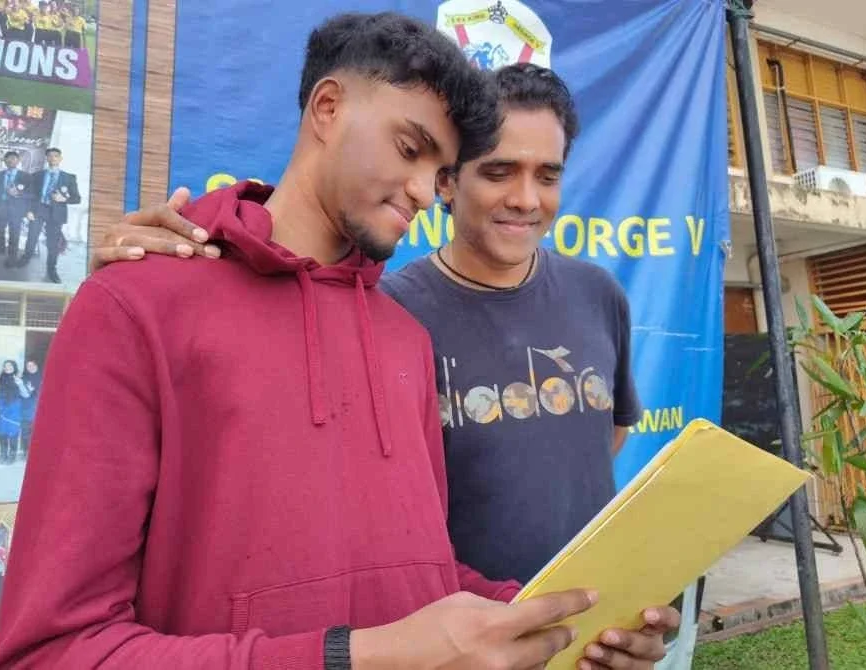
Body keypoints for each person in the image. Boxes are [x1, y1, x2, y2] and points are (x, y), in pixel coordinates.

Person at [0, 12, 600, 670]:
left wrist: (565, 624)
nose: (426, 192)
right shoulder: (134, 307)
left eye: (442, 170)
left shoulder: (405, 339)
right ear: (329, 107)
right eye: (409, 148)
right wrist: (353, 658)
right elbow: (52, 652)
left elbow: (419, 577)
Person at [93, 63, 678, 669]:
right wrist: (163, 275)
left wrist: (583, 613)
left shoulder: (598, 294)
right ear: (449, 184)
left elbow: (605, 434)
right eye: (499, 171)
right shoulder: (389, 317)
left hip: (567, 633)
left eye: (547, 175)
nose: (525, 198)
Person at [25, 147, 81, 283]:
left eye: (56, 156)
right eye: (50, 156)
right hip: (39, 210)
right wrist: (28, 211)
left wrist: (64, 199)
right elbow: (29, 195)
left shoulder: (69, 177)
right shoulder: (36, 176)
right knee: (32, 237)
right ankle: (25, 260)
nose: (53, 158)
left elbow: (77, 198)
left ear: (60, 159)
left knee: (53, 244)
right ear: (46, 158)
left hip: (56, 213)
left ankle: (51, 269)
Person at [0, 151, 32, 263]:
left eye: (14, 158)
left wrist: (19, 193)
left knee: (14, 232)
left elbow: (32, 194)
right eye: (8, 159)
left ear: (18, 160)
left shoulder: (26, 176)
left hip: (17, 209)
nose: (11, 161)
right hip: (1, 207)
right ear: (4, 161)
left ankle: (12, 255)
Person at [0, 360, 27, 464]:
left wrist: (20, 384)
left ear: (14, 367)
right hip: (2, 407)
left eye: (10, 365)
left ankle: (12, 455)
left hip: (14, 408)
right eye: (6, 366)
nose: (8, 367)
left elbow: (26, 395)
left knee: (13, 431)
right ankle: (3, 454)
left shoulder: (19, 379)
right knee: (2, 431)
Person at [19, 359, 42, 459]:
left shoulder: (44, 376)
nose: (30, 367)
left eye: (32, 365)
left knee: (38, 431)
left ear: (37, 366)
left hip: (40, 407)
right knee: (26, 431)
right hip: (26, 407)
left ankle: (38, 451)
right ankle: (26, 451)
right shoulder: (23, 378)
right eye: (28, 366)